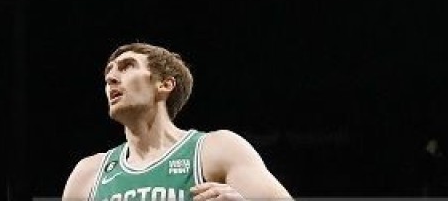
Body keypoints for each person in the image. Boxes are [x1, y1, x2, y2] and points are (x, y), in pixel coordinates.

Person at [62, 42, 292, 201]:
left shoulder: (216, 149)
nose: (111, 78)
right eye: (108, 74)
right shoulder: (89, 173)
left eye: (127, 67)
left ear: (165, 84)